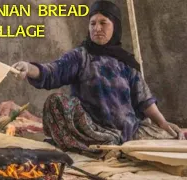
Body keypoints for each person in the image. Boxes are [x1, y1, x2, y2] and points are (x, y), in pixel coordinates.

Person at [11, 0, 185, 154]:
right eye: (93, 23)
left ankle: (114, 145)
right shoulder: (81, 56)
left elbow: (144, 100)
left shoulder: (127, 63)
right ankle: (103, 146)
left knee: (172, 135)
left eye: (103, 23)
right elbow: (52, 71)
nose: (97, 28)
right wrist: (28, 68)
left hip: (128, 130)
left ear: (115, 26)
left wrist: (162, 123)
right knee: (55, 102)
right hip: (92, 130)